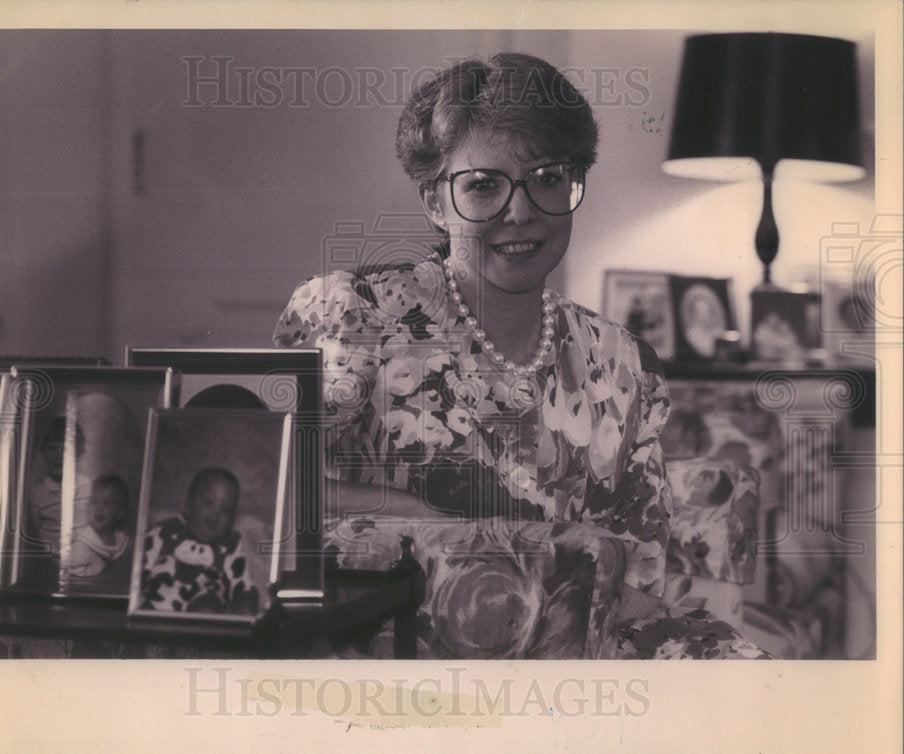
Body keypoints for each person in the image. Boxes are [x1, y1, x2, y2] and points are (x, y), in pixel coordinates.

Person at [274, 52, 766, 659]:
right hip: (400, 657)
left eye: (548, 177)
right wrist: (423, 512)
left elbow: (640, 569)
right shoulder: (357, 317)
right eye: (482, 185)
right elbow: (264, 488)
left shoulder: (621, 363)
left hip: (585, 650)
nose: (521, 209)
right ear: (434, 201)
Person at [140, 467, 259, 615]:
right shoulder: (165, 531)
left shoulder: (231, 545)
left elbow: (242, 587)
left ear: (232, 519)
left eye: (225, 509)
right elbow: (137, 570)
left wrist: (244, 603)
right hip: (156, 617)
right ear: (188, 505)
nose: (216, 513)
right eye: (208, 503)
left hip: (204, 624)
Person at [29, 416, 91, 554]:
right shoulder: (38, 494)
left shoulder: (87, 486)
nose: (58, 454)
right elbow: (34, 532)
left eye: (65, 449)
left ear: (78, 453)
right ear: (44, 452)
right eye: (52, 448)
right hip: (52, 559)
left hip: (85, 558)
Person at [68, 474, 132, 580]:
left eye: (107, 504)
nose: (99, 508)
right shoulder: (80, 547)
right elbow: (74, 583)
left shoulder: (124, 544)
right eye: (94, 502)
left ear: (120, 512)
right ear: (87, 507)